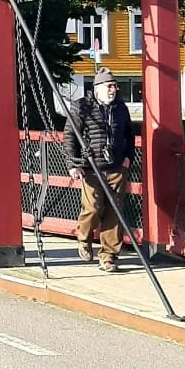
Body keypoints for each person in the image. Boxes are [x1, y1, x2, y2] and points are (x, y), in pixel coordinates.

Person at [65, 67, 133, 272]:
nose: (113, 90)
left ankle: (109, 256)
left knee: (115, 211)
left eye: (114, 86)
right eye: (109, 86)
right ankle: (84, 237)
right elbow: (70, 136)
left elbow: (129, 135)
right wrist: (73, 164)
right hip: (91, 168)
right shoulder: (81, 107)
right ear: (97, 88)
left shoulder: (121, 108)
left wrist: (128, 157)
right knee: (93, 207)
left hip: (116, 167)